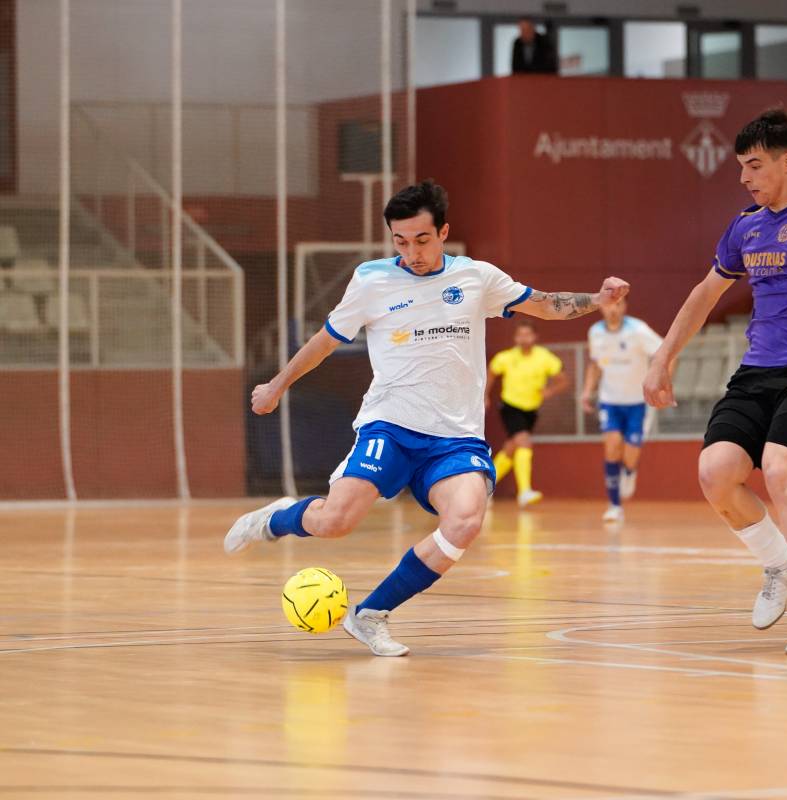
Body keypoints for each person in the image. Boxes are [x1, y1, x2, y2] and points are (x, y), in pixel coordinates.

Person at [222, 179, 628, 657]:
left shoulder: (477, 277)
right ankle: (275, 519)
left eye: (422, 240)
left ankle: (370, 614)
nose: (412, 252)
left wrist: (596, 300)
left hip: (455, 439)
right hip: (390, 425)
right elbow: (325, 341)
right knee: (336, 521)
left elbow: (543, 304)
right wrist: (276, 385)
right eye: (400, 241)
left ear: (443, 233)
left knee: (465, 521)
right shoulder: (371, 280)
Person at [644, 108, 787, 656]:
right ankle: (778, 565)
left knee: (778, 471)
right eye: (742, 167)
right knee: (715, 474)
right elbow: (706, 294)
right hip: (757, 371)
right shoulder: (746, 224)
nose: (745, 178)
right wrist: (663, 357)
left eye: (754, 165)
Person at [579, 297, 663, 523]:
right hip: (610, 400)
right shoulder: (595, 332)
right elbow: (595, 364)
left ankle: (629, 471)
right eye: (609, 304)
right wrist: (587, 391)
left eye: (618, 304)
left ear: (624, 306)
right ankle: (614, 505)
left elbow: (664, 353)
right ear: (602, 307)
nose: (613, 309)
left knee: (631, 452)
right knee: (612, 446)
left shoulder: (638, 330)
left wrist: (663, 384)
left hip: (638, 402)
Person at [485, 319, 568, 508]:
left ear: (535, 337)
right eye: (520, 335)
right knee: (524, 441)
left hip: (531, 410)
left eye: (527, 334)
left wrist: (550, 391)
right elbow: (491, 372)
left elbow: (563, 380)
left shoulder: (544, 357)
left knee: (512, 447)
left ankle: (485, 487)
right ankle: (524, 492)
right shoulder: (506, 357)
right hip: (510, 406)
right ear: (515, 338)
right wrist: (485, 396)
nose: (523, 338)